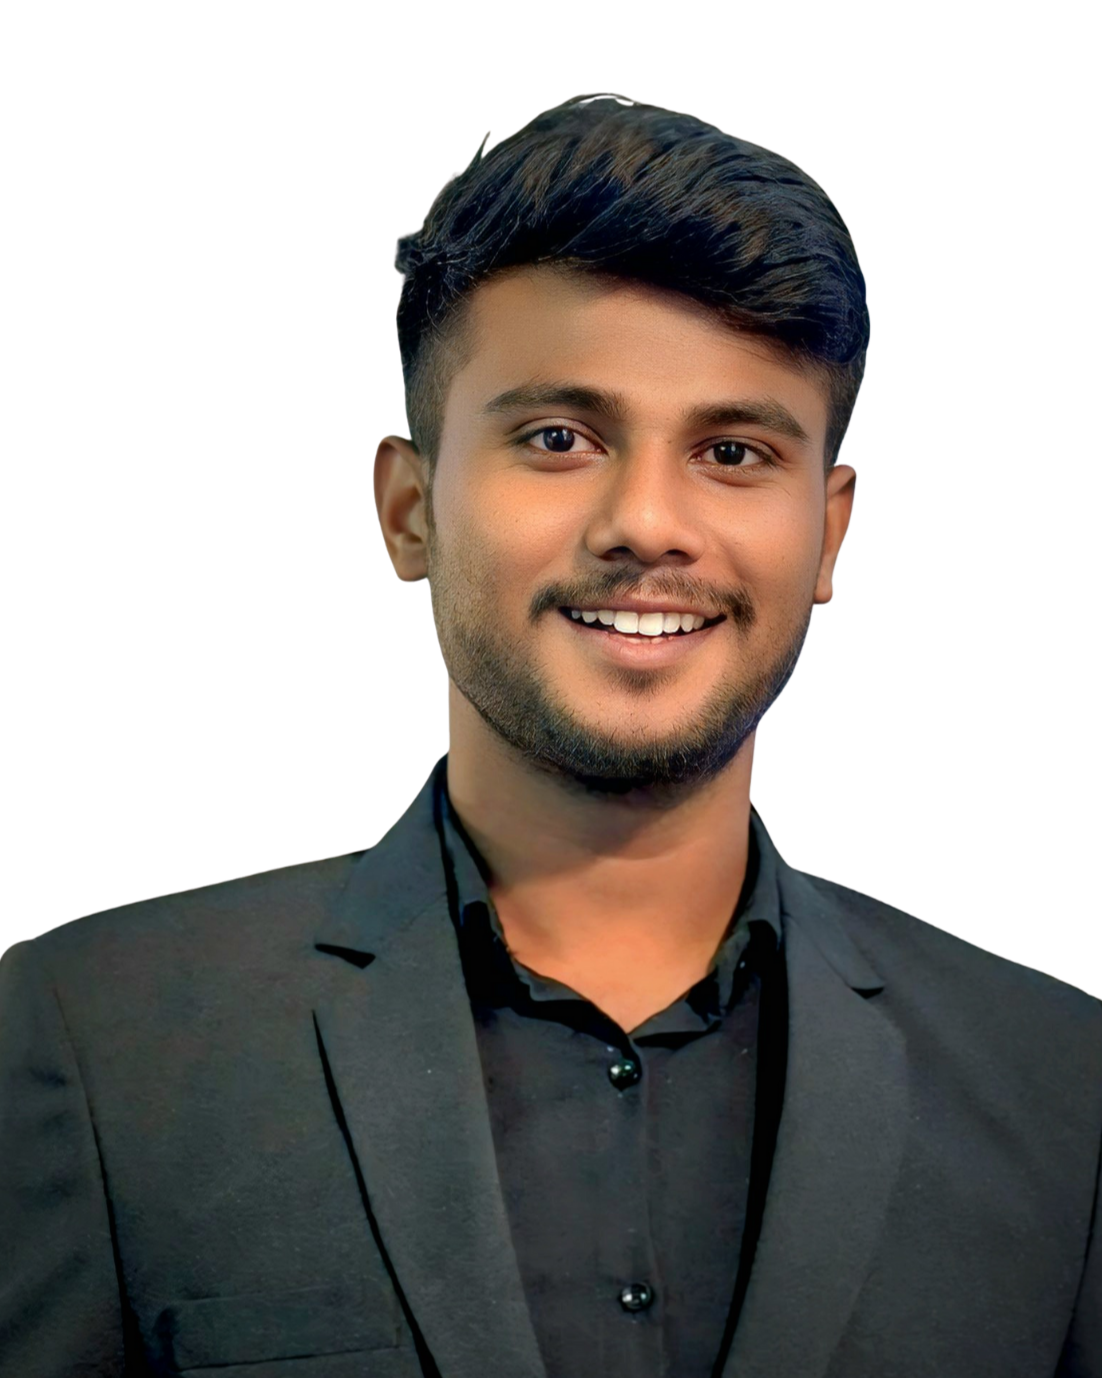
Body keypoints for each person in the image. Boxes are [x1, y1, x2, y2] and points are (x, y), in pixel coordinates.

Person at [1, 94, 1097, 1378]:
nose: (646, 521)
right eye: (559, 437)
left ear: (829, 533)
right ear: (406, 513)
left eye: (734, 450)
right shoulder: (85, 1038)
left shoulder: (1057, 1084)